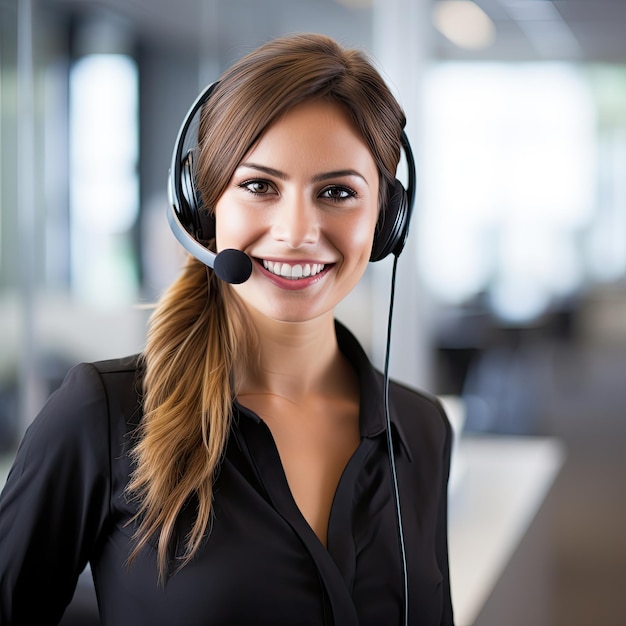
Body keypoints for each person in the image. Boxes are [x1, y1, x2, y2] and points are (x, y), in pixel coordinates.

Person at [0, 33, 454, 626]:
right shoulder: (102, 418)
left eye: (338, 192)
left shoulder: (420, 430)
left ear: (387, 221)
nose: (297, 231)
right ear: (203, 204)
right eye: (259, 186)